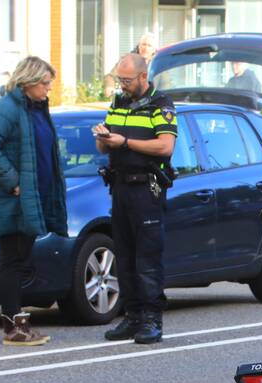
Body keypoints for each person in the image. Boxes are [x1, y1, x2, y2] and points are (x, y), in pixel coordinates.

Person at [0, 56, 68, 346]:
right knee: (12, 260)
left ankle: (18, 321)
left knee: (21, 259)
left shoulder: (36, 108)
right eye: (45, 83)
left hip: (32, 197)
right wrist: (13, 182)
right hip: (13, 198)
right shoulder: (6, 109)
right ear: (29, 82)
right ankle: (13, 327)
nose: (49, 88)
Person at [93, 53, 177, 345]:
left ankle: (152, 320)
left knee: (147, 258)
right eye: (120, 79)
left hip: (146, 189)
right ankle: (132, 316)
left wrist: (126, 142)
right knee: (125, 255)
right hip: (120, 187)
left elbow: (165, 147)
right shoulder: (118, 102)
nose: (123, 85)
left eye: (127, 80)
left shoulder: (160, 105)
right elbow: (103, 148)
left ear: (143, 76)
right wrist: (103, 137)